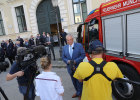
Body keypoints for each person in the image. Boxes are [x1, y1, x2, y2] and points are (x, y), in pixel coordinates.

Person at [62, 34, 85, 100]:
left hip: (78, 67)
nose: (69, 41)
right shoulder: (65, 47)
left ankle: (80, 94)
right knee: (74, 81)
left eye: (70, 40)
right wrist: (67, 61)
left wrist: (75, 61)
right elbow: (63, 57)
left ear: (73, 39)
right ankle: (78, 92)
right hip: (70, 68)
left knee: (79, 81)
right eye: (67, 40)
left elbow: (83, 55)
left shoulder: (79, 45)